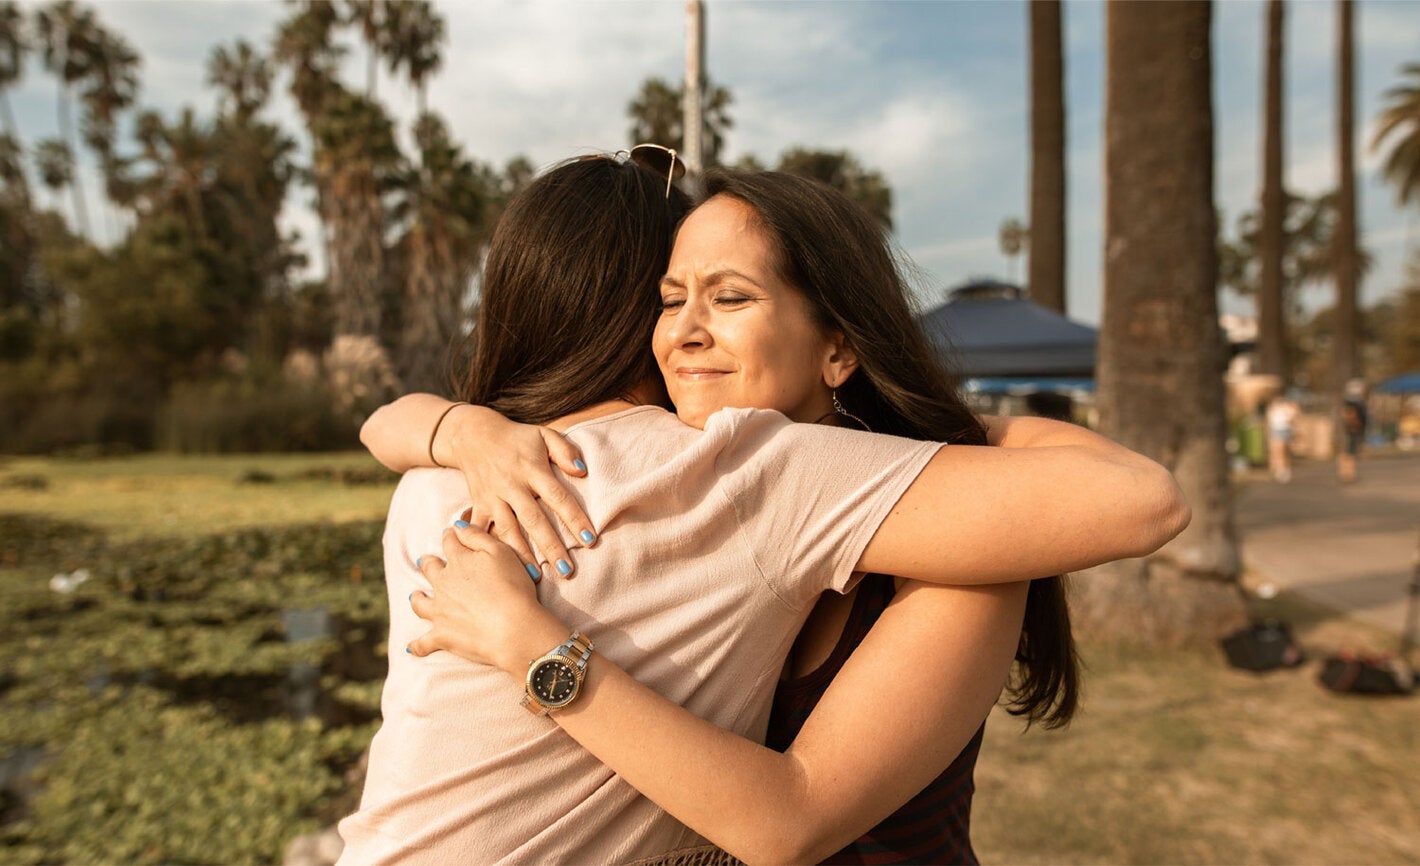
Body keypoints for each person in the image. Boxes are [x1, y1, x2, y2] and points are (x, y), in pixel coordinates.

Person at [346, 164, 1190, 865]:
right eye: (669, 299)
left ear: (838, 347)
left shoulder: (879, 525)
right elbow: (386, 426)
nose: (684, 332)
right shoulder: (705, 487)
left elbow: (1145, 499)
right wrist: (464, 429)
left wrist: (533, 648)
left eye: (731, 298)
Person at [1265, 392, 1299, 483]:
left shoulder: (1288, 407)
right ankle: (1280, 470)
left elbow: (1294, 418)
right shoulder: (1273, 408)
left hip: (1286, 430)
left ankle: (1284, 470)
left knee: (1285, 451)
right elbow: (1269, 421)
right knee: (1278, 451)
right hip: (1277, 430)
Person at [1339, 379, 1368, 484]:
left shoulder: (1354, 401)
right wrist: (1356, 426)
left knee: (1351, 452)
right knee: (1350, 453)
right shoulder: (1353, 402)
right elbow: (1350, 415)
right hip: (1353, 429)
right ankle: (1348, 474)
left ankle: (1349, 474)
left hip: (1353, 428)